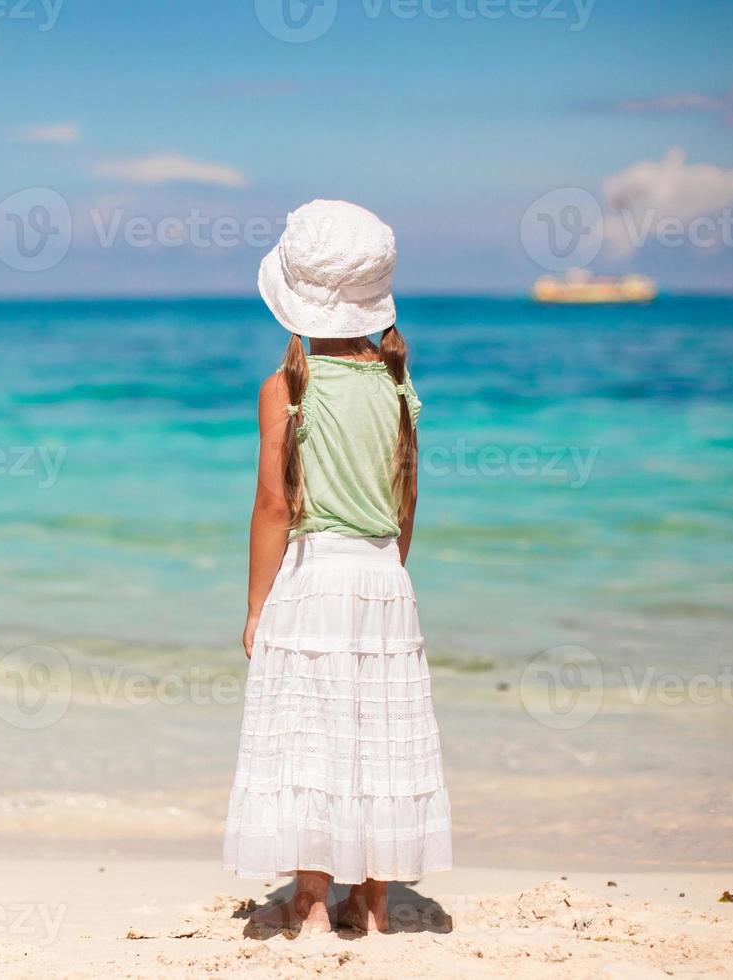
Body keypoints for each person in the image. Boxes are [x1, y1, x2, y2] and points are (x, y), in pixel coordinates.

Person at [222, 200, 452, 935]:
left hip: (313, 576)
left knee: (312, 736)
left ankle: (313, 901)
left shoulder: (286, 388)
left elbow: (272, 506)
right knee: (377, 733)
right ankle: (376, 900)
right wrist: (389, 573)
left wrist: (257, 605)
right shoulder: (396, 386)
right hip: (385, 576)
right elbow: (405, 497)